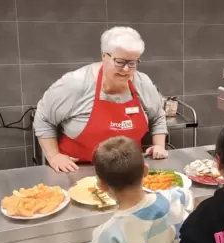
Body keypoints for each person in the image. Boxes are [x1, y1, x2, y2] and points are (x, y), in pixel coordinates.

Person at [34, 26, 169, 173]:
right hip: (78, 170)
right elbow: (43, 118)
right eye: (120, 62)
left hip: (129, 171)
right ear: (104, 56)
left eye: (132, 63)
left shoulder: (143, 83)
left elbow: (157, 116)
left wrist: (159, 146)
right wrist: (54, 156)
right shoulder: (75, 84)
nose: (126, 69)